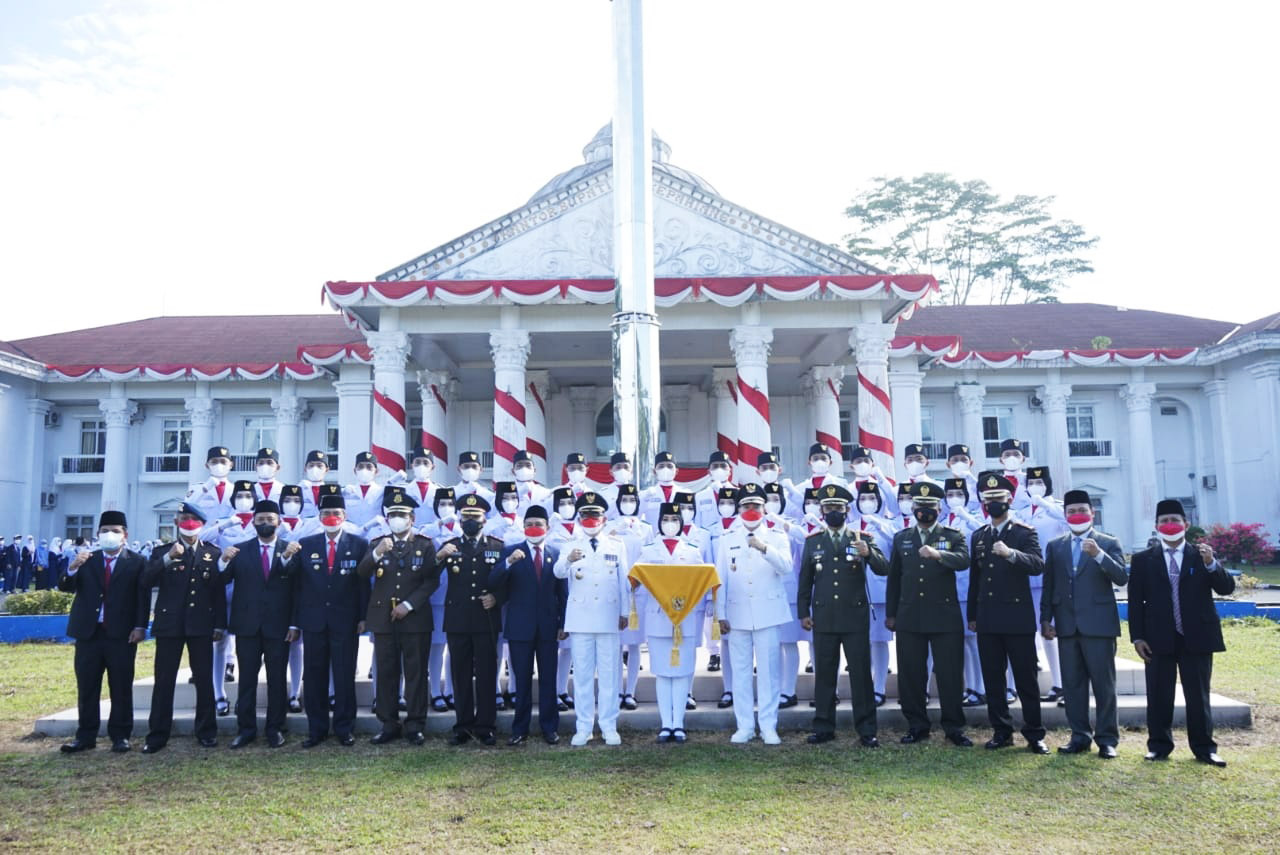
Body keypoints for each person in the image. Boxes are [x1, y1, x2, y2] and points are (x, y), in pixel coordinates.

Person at [1129, 498, 1235, 766]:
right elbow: (1135, 603)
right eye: (1164, 521)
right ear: (1156, 526)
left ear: (1186, 524)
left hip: (1197, 636)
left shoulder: (1201, 555)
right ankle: (1159, 746)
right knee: (1159, 694)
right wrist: (1138, 637)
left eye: (1175, 520)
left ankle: (1204, 748)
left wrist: (1212, 564)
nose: (1170, 524)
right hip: (1158, 637)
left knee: (1198, 695)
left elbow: (1226, 588)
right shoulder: (1143, 560)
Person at [797, 484, 888, 746]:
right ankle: (824, 727)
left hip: (854, 618)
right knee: (825, 674)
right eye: (828, 508)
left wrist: (868, 553)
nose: (833, 512)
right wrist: (804, 612)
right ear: (822, 511)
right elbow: (805, 580)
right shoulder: (813, 541)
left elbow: (884, 569)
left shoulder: (862, 537)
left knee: (860, 675)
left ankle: (867, 730)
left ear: (847, 510)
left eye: (838, 508)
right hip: (823, 618)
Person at [1040, 489, 1128, 758]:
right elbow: (1049, 584)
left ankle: (1107, 739)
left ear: (1092, 513)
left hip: (1099, 626)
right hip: (1067, 625)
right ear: (1065, 516)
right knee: (1073, 686)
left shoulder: (1108, 542)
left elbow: (1122, 577)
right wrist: (1046, 619)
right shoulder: (1056, 545)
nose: (1077, 516)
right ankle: (1079, 736)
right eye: (1071, 512)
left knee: (1104, 685)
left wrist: (1099, 555)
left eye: (1082, 511)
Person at [886, 481, 972, 746]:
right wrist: (891, 613)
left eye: (930, 506)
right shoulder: (902, 538)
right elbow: (894, 578)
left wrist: (939, 554)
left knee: (949, 674)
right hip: (910, 616)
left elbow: (964, 560)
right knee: (911, 674)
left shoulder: (953, 535)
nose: (925, 511)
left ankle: (954, 727)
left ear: (939, 508)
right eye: (920, 506)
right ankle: (916, 726)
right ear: (913, 508)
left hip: (944, 617)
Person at [966, 474, 1048, 754]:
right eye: (988, 501)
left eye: (998, 500)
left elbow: (1038, 564)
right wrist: (972, 615)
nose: (993, 505)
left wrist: (1012, 554)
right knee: (993, 678)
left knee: (1026, 679)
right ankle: (1001, 731)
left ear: (1010, 500)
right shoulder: (979, 535)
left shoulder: (1024, 532)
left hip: (1017, 617)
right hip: (988, 618)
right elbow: (975, 580)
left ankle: (1035, 733)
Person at [57, 511, 149, 754]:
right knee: (87, 686)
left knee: (120, 685)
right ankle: (85, 736)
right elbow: (65, 586)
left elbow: (142, 597)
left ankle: (120, 735)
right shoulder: (87, 559)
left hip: (121, 633)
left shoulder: (137, 561)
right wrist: (73, 567)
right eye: (105, 530)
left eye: (116, 530)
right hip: (89, 633)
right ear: (98, 534)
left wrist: (140, 626)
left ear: (125, 535)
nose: (110, 535)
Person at [140, 503, 226, 753]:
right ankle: (157, 735)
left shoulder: (212, 553)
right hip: (170, 625)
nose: (189, 523)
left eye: (194, 520)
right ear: (177, 522)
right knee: (164, 680)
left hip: (201, 624)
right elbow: (146, 580)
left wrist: (220, 623)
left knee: (204, 680)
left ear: (202, 524)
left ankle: (207, 731)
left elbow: (218, 592)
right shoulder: (162, 551)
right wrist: (168, 559)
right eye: (184, 519)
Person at [359, 488, 440, 745]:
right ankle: (388, 723)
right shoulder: (377, 543)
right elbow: (361, 573)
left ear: (412, 519)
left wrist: (408, 604)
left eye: (401, 515)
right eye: (392, 514)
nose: (396, 518)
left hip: (414, 619)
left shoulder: (425, 545)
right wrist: (377, 553)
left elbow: (431, 581)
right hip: (383, 618)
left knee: (415, 672)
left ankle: (415, 724)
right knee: (386, 671)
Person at [218, 500, 301, 748]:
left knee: (277, 680)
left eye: (270, 519)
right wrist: (222, 560)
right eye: (261, 519)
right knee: (247, 681)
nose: (265, 523)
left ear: (279, 522)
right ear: (253, 521)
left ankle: (275, 728)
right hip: (247, 627)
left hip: (279, 626)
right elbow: (221, 579)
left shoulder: (293, 549)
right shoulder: (240, 550)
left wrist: (294, 625)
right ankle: (246, 729)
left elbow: (298, 587)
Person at [289, 492, 369, 747]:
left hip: (345, 621)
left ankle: (345, 728)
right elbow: (297, 587)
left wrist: (363, 617)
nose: (331, 518)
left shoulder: (359, 544)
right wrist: (295, 622)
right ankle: (317, 729)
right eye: (325, 514)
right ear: (319, 517)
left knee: (344, 676)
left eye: (336, 514)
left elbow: (362, 585)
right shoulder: (306, 544)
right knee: (314, 677)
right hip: (313, 622)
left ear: (345, 517)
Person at [715, 483, 791, 744]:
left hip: (768, 612)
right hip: (737, 615)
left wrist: (764, 548)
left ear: (764, 508)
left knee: (769, 672)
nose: (751, 510)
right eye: (746, 505)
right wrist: (720, 614)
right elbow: (720, 579)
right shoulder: (727, 539)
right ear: (738, 509)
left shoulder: (777, 536)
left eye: (756, 505)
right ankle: (745, 725)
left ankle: (768, 726)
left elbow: (786, 568)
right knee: (741, 671)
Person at [553, 491, 630, 746]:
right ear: (579, 517)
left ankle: (609, 726)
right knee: (584, 676)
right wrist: (568, 559)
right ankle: (583, 727)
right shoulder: (570, 545)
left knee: (609, 675)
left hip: (608, 617)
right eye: (585, 514)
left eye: (594, 515)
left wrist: (624, 612)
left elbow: (623, 583)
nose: (590, 519)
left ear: (604, 518)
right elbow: (558, 573)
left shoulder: (616, 545)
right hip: (581, 618)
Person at [488, 505, 566, 745]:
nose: (534, 528)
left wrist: (563, 623)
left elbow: (562, 593)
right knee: (521, 680)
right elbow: (493, 581)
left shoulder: (556, 552)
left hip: (548, 628)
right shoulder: (511, 551)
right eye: (530, 523)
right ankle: (519, 729)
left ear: (548, 527)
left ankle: (549, 728)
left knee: (548, 680)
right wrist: (508, 563)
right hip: (520, 627)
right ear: (523, 527)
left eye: (539, 524)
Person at [635, 503, 708, 742]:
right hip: (657, 617)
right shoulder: (648, 550)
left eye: (675, 519)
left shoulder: (693, 550)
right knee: (663, 673)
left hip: (685, 618)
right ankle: (666, 723)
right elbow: (635, 579)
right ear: (659, 521)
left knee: (682, 672)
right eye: (666, 518)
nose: (670, 523)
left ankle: (679, 723)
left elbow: (702, 582)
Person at [437, 493, 503, 746]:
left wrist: (497, 597)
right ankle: (463, 726)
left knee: (486, 674)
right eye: (466, 517)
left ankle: (486, 726)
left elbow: (507, 580)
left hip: (486, 619)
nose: (470, 521)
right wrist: (439, 556)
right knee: (460, 674)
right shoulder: (450, 545)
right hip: (458, 619)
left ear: (485, 520)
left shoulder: (497, 546)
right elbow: (429, 575)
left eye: (475, 517)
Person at [940, 477, 984, 707]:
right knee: (963, 643)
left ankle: (981, 688)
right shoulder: (944, 520)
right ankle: (970, 686)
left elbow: (984, 533)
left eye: (958, 495)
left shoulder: (973, 519)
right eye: (950, 495)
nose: (953, 499)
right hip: (949, 589)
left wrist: (966, 516)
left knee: (973, 641)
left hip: (969, 588)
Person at [639, 451, 681, 529]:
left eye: (669, 466)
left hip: (679, 539)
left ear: (676, 471)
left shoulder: (684, 494)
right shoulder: (645, 495)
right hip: (653, 539)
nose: (665, 469)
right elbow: (637, 520)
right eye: (661, 466)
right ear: (654, 471)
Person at [299, 450, 331, 518]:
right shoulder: (298, 490)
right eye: (311, 465)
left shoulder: (331, 492)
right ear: (305, 469)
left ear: (327, 470)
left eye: (319, 466)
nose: (315, 469)